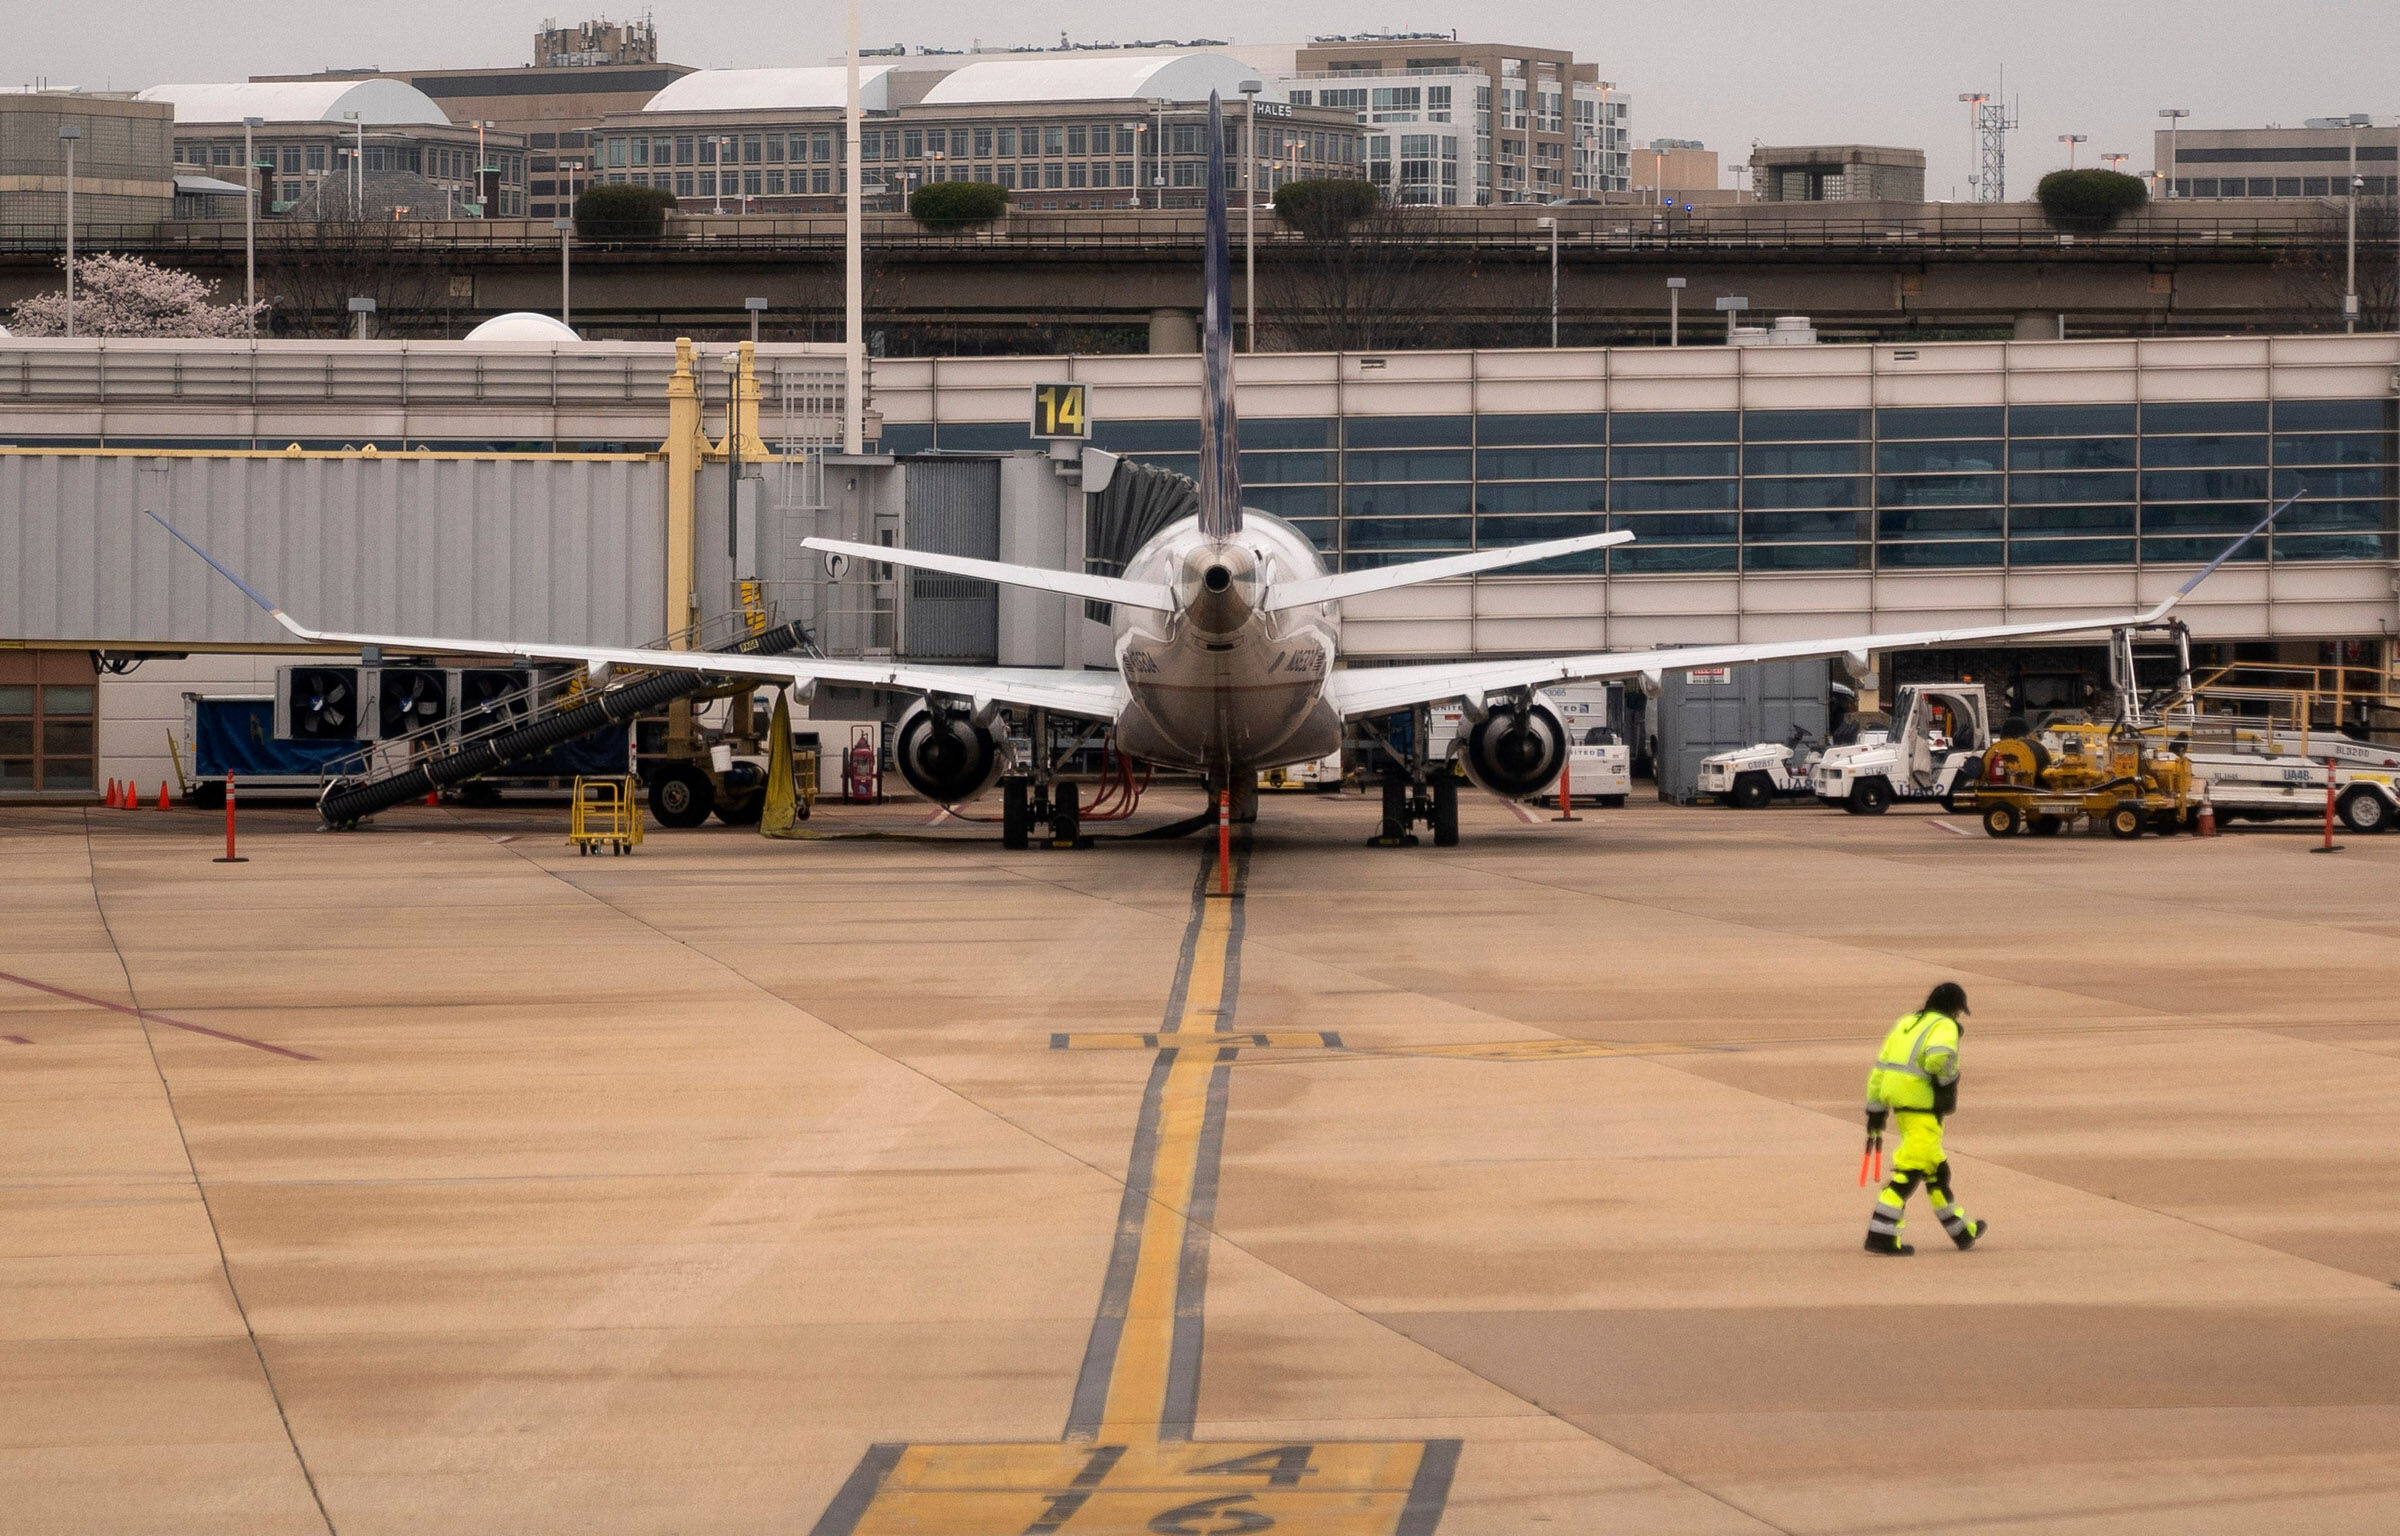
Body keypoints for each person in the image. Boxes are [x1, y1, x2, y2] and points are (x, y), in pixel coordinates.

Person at [1862, 982, 1987, 1256]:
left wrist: (1876, 1110)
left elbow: (1881, 1067)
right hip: (1922, 1107)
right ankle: (1880, 1234)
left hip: (1900, 1105)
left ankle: (1962, 1231)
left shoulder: (1906, 1022)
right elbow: (1938, 1058)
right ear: (1954, 1007)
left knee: (1936, 1171)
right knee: (1909, 1173)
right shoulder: (1944, 1026)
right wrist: (1948, 1078)